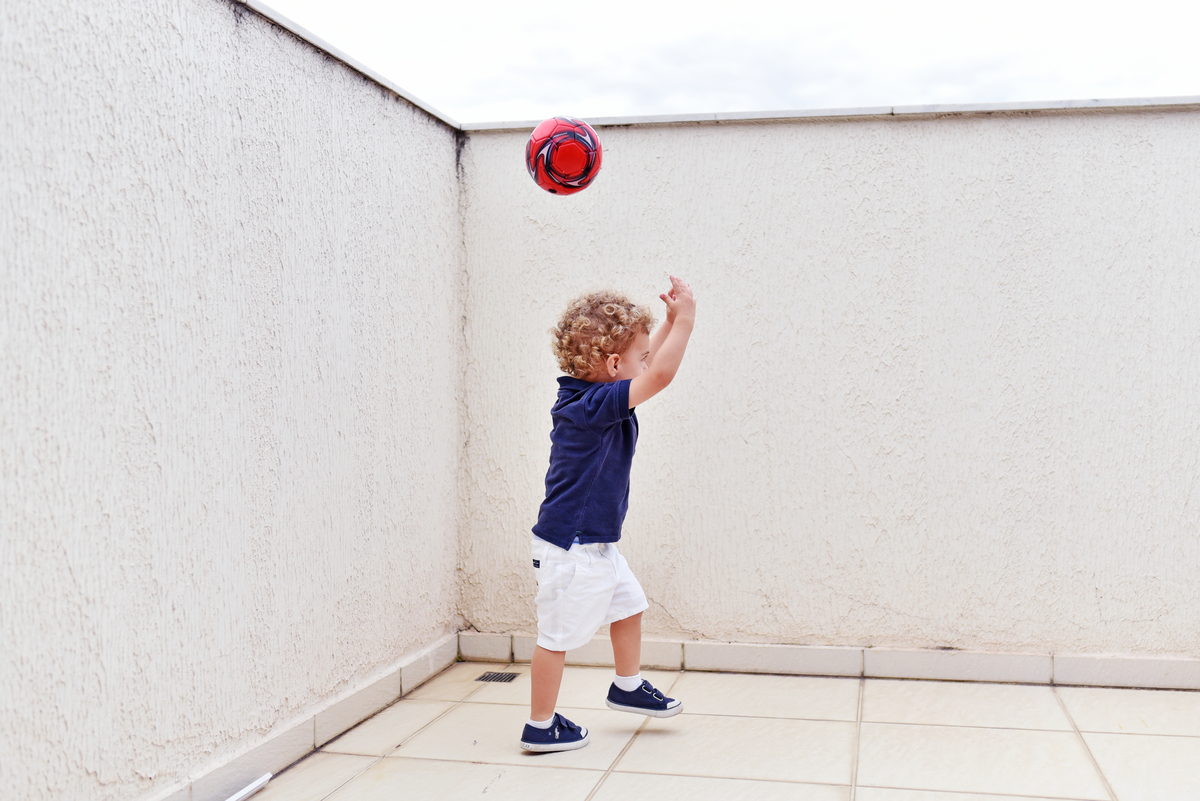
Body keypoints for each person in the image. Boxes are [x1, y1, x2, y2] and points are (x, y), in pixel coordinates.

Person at [520, 276, 696, 752]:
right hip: (570, 549)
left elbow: (644, 363)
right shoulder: (590, 407)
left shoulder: (596, 394)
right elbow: (658, 375)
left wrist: (667, 323)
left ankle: (627, 684)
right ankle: (540, 725)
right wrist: (686, 321)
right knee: (556, 637)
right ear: (615, 365)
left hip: (595, 544)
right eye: (639, 356)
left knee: (629, 604)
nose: (646, 362)